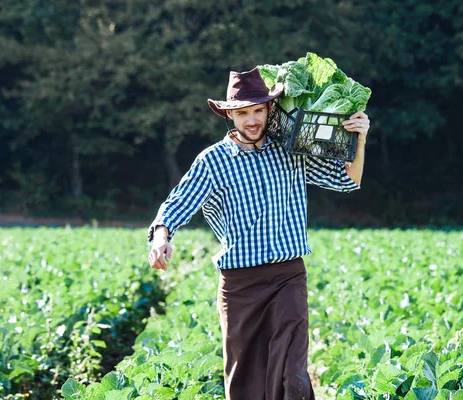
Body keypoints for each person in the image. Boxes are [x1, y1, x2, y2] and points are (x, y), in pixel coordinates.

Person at [147, 67, 370, 400]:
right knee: (245, 382)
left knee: (293, 377)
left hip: (288, 277)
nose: (251, 120)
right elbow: (177, 204)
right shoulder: (213, 161)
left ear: (269, 110)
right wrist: (161, 239)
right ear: (230, 115)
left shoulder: (291, 148)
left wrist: (360, 138)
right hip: (240, 286)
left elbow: (347, 180)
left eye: (258, 111)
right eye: (242, 112)